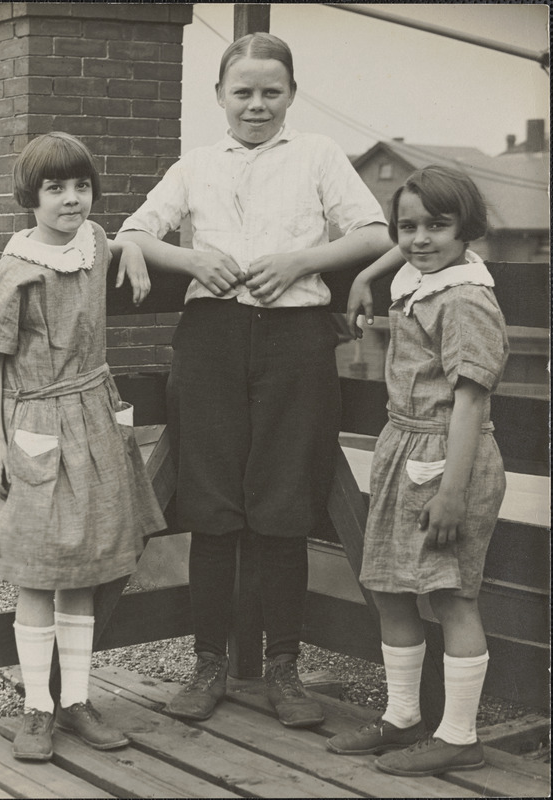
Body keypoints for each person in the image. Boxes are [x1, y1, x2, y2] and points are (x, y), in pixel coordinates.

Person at [115, 33, 391, 728]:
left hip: (295, 344)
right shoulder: (196, 164)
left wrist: (304, 262)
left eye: (272, 92)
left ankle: (284, 671)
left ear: (292, 95)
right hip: (210, 343)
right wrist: (189, 259)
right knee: (209, 507)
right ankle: (208, 666)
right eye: (243, 92)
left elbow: (375, 232)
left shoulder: (319, 156)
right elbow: (134, 230)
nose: (257, 105)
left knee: (284, 508)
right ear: (219, 97)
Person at [0, 131, 166, 761]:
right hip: (36, 425)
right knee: (38, 571)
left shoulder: (98, 243)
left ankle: (78, 699)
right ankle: (37, 708)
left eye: (81, 186)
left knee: (85, 565)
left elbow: (129, 234)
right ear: (29, 197)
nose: (72, 199)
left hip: (95, 417)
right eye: (55, 188)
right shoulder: (16, 273)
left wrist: (135, 248)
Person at [326, 165, 509, 776]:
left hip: (447, 457)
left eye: (438, 225)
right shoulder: (419, 277)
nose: (421, 239)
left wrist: (453, 492)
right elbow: (402, 257)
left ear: (468, 230)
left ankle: (459, 735)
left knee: (451, 594)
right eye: (408, 227)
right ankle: (403, 717)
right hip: (403, 447)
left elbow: (471, 399)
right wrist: (365, 272)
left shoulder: (464, 300)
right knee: (389, 585)